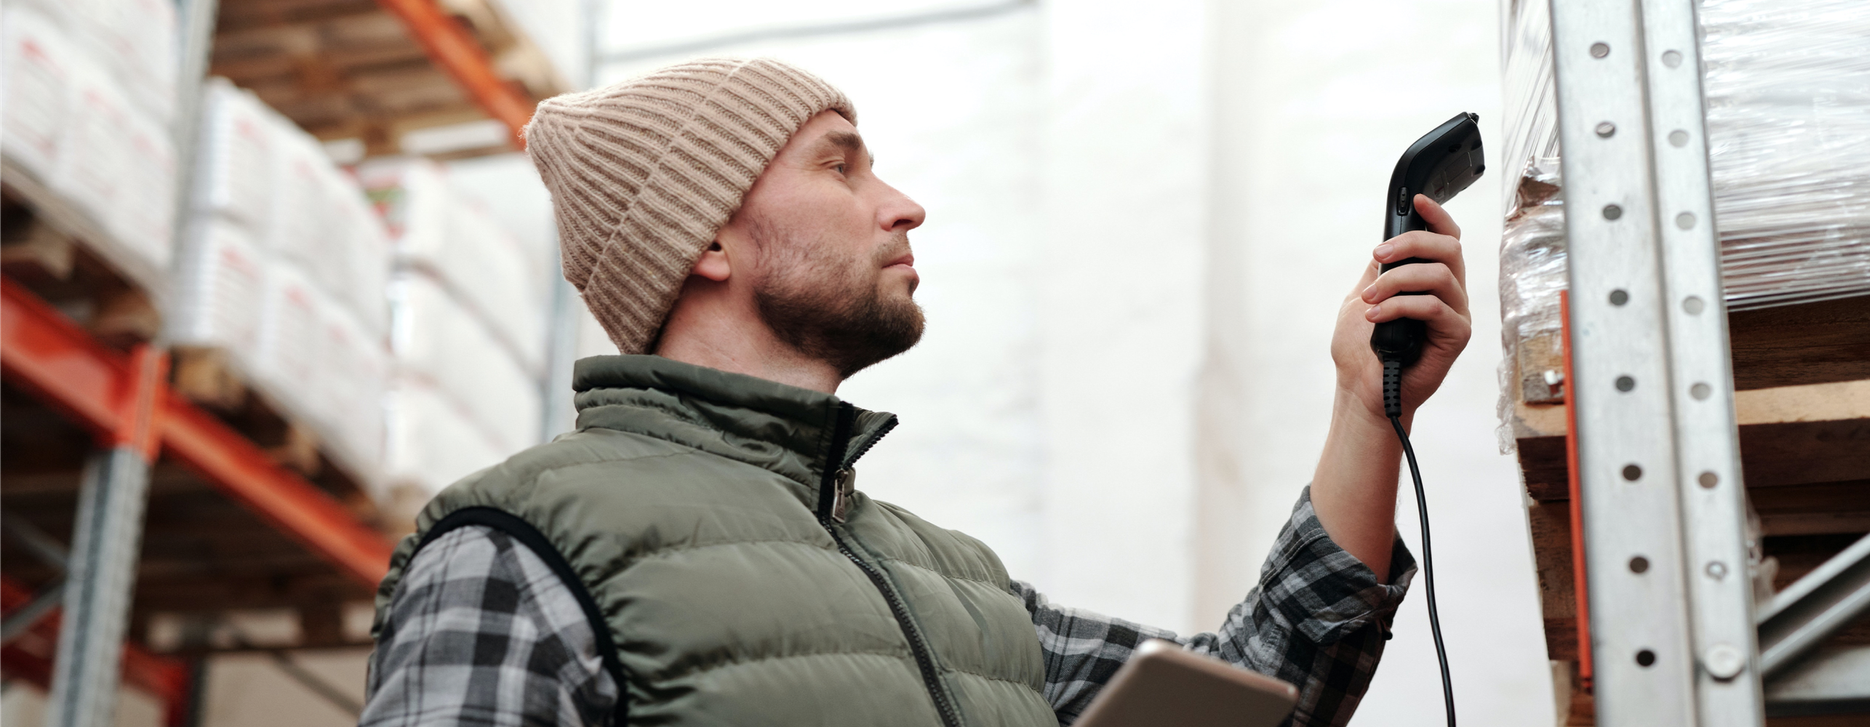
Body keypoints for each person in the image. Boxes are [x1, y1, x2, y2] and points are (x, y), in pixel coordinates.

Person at [358, 57, 1471, 727]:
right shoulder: (511, 550)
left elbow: (1259, 696)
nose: (902, 205)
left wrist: (1368, 408)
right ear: (702, 238)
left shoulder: (961, 590)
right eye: (841, 165)